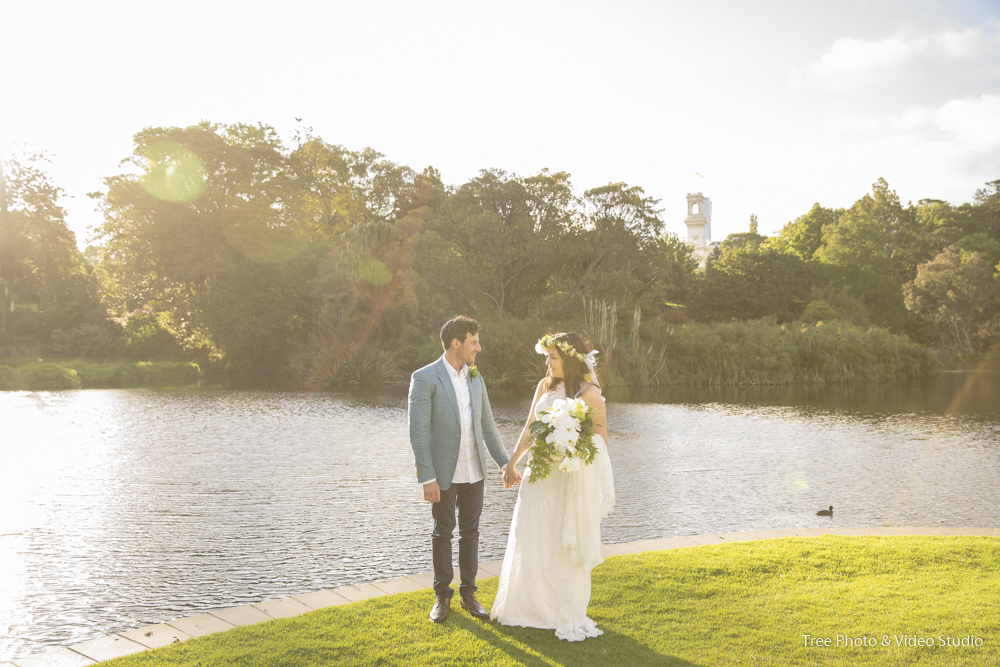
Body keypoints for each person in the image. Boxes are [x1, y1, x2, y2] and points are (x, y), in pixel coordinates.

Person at [491, 332, 615, 641]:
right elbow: (531, 428)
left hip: (566, 477)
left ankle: (557, 609)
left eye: (553, 357)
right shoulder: (544, 386)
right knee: (529, 532)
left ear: (569, 359)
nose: (547, 362)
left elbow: (601, 438)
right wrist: (512, 462)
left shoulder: (589, 393)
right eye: (547, 356)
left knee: (559, 541)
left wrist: (571, 443)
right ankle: (525, 606)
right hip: (538, 474)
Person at [408, 316, 514, 623]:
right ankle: (443, 597)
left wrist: (505, 464)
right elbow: (418, 432)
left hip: (475, 471)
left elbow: (489, 428)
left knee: (471, 533)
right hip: (442, 474)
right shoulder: (425, 377)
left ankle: (469, 595)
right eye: (473, 342)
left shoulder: (476, 378)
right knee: (443, 534)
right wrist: (427, 477)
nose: (478, 348)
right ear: (456, 343)